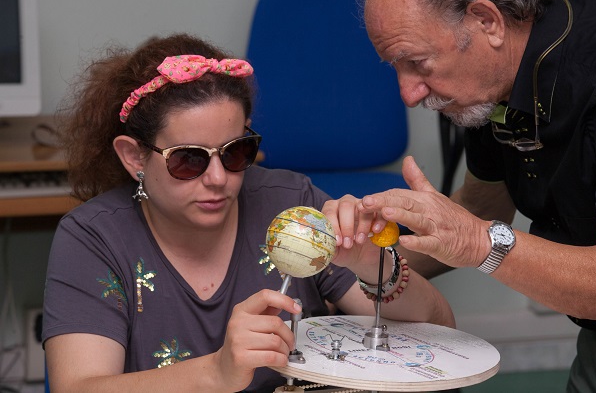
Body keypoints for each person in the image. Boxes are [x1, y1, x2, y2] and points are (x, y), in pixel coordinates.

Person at [41, 33, 454, 393]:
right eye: (188, 159)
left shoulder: (292, 205)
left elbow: (439, 329)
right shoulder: (94, 238)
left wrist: (370, 263)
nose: (219, 178)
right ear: (134, 157)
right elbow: (77, 388)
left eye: (235, 152)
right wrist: (216, 372)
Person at [324, 0, 596, 391]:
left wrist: (479, 242)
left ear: (487, 21)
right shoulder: (496, 78)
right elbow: (481, 207)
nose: (409, 94)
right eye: (396, 66)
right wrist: (358, 268)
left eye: (417, 62)